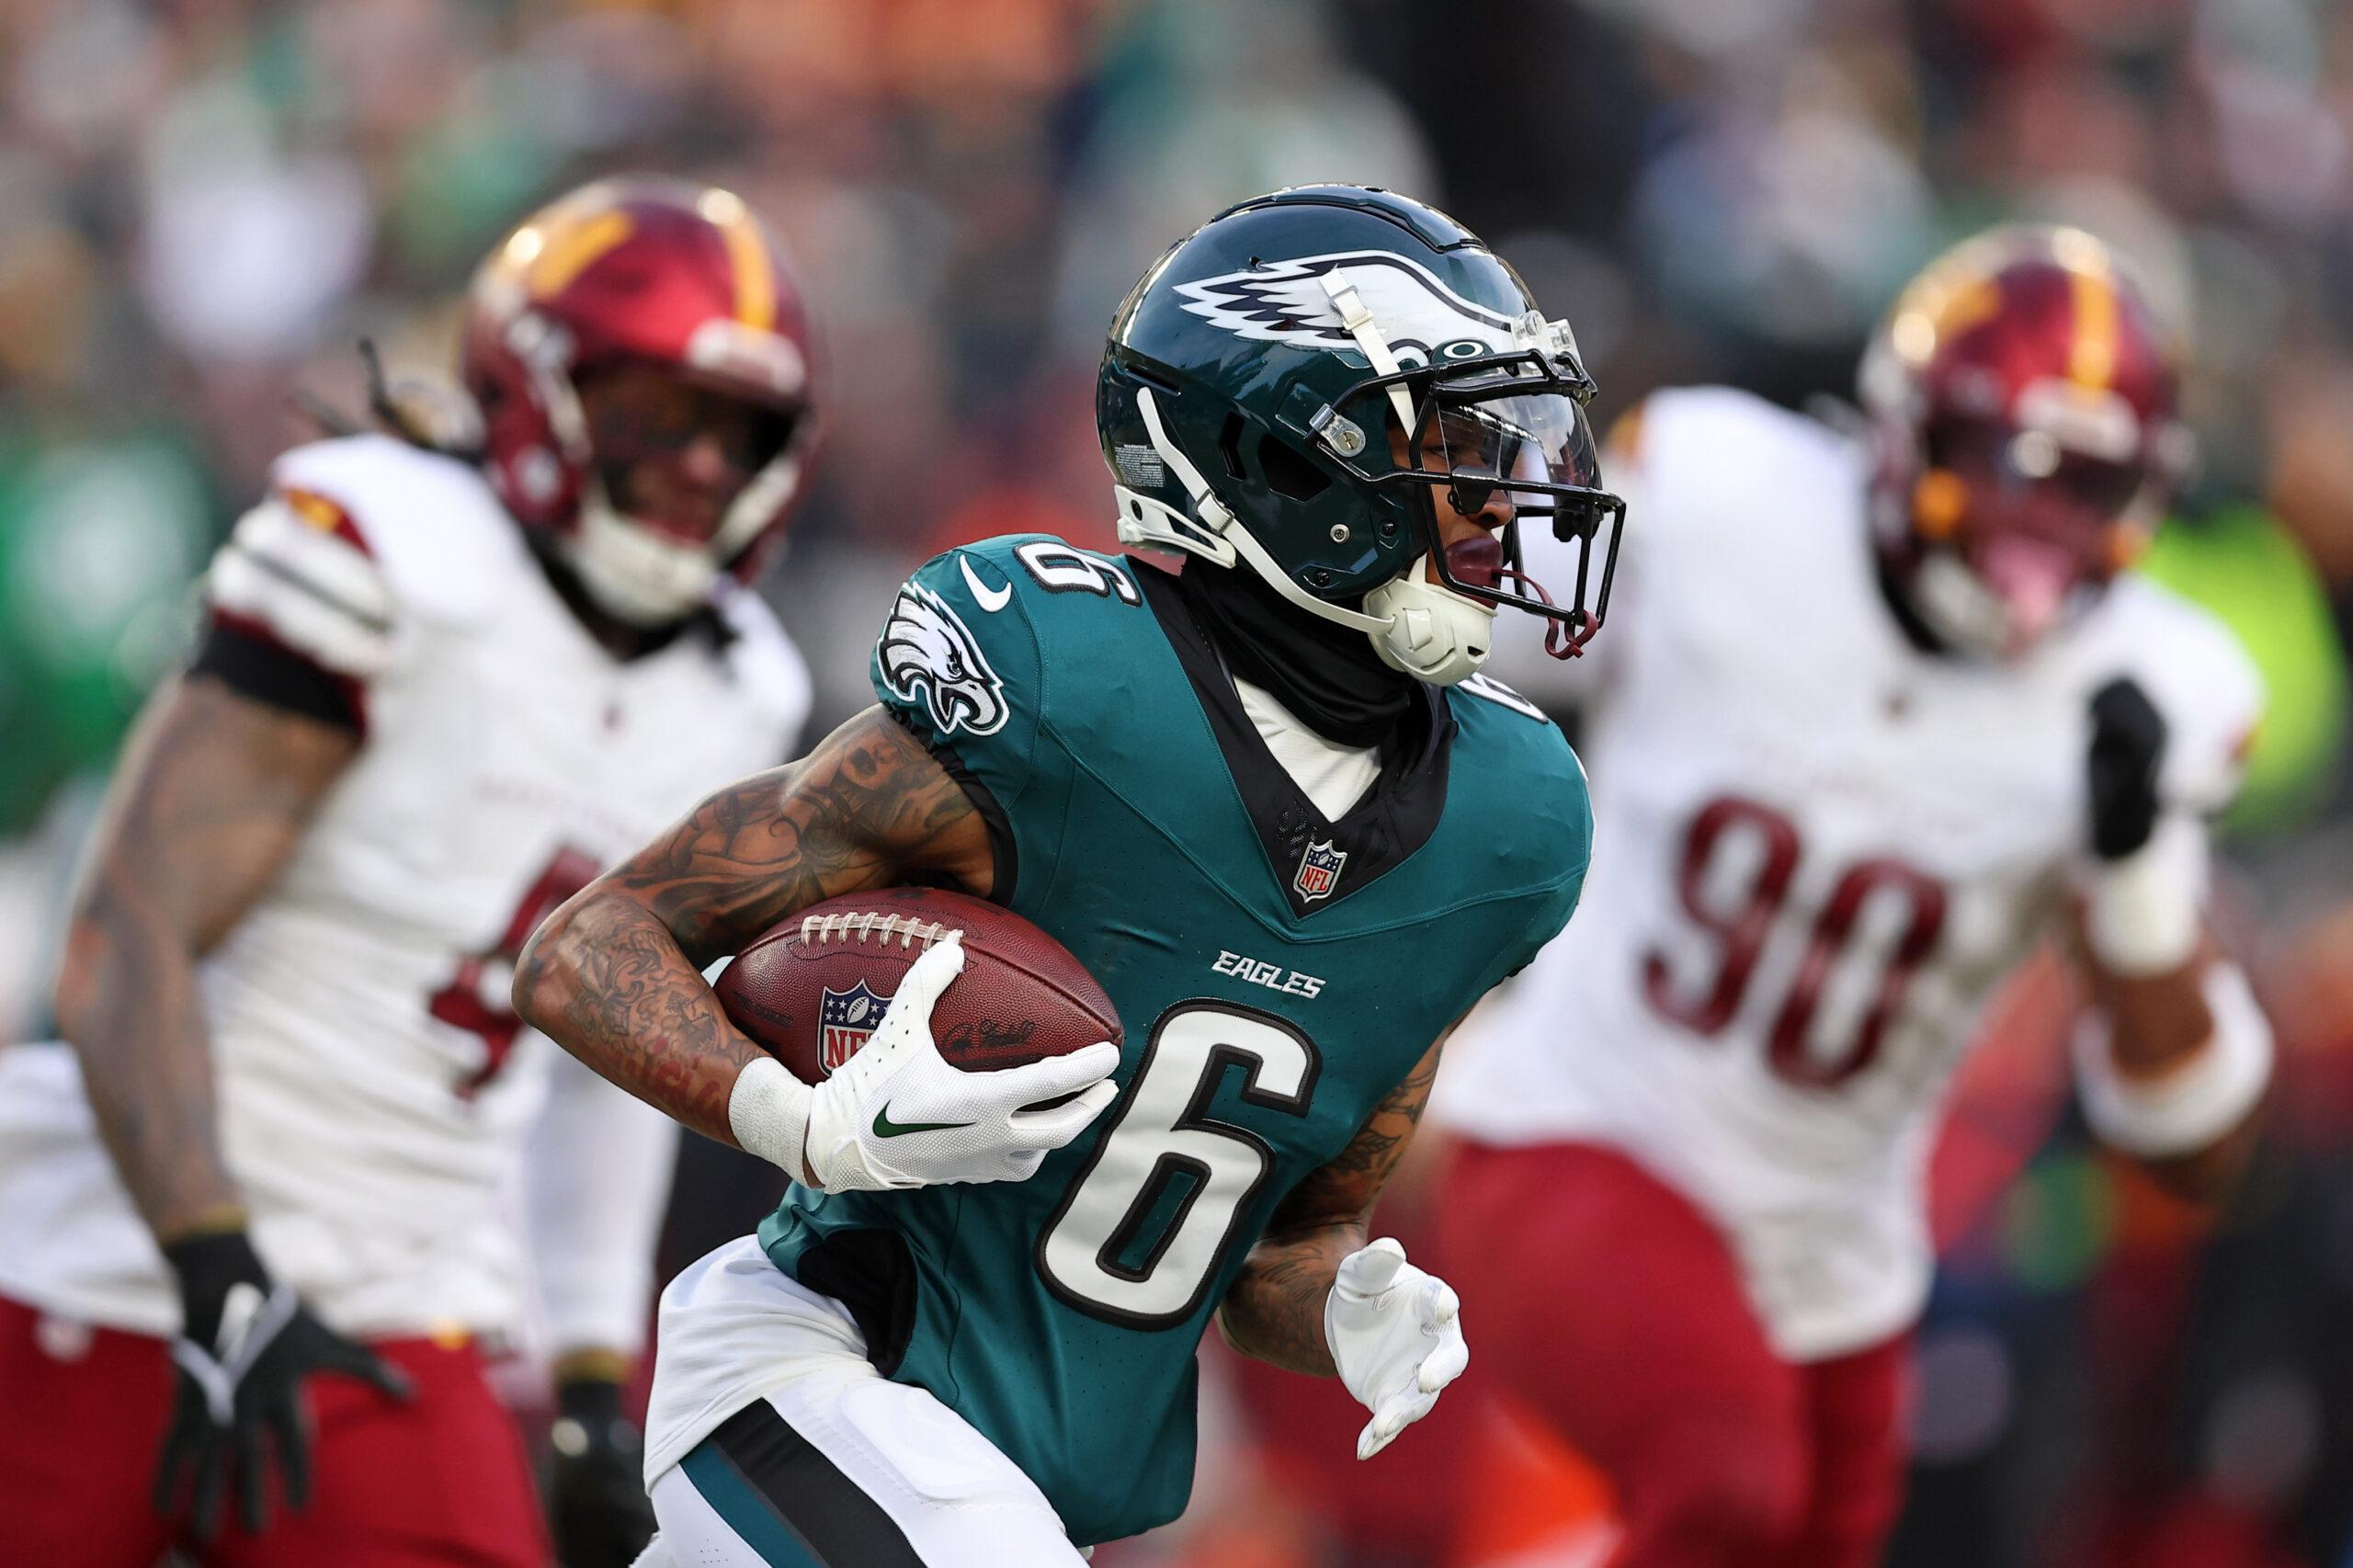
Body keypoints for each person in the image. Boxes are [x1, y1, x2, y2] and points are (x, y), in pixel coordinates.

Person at [512, 184, 1622, 1565]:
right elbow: (587, 946)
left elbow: (1280, 1234)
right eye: (1448, 446)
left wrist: (1340, 1303)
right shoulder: (1069, 696)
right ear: (1284, 459)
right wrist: (798, 1121)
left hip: (1027, 1497)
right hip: (806, 1381)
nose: (1501, 497)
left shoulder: (1504, 827)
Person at [0, 176, 818, 1568]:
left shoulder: (739, 692)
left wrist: (580, 1380)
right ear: (541, 389)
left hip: (401, 1296)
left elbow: (606, 1057)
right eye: (653, 412)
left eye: (730, 430)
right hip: (107, 1254)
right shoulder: (392, 551)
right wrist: (217, 1268)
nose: (694, 465)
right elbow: (126, 934)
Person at [1431, 224, 2275, 1568]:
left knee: (1777, 1525)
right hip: (1582, 1128)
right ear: (1902, 433)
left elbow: (2196, 1146)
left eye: (2092, 487)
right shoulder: (1715, 493)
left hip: (1834, 1261)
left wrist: (2129, 876)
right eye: (2014, 466)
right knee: (1725, 1486)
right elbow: (1451, 646)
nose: (2040, 532)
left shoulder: (2147, 691)